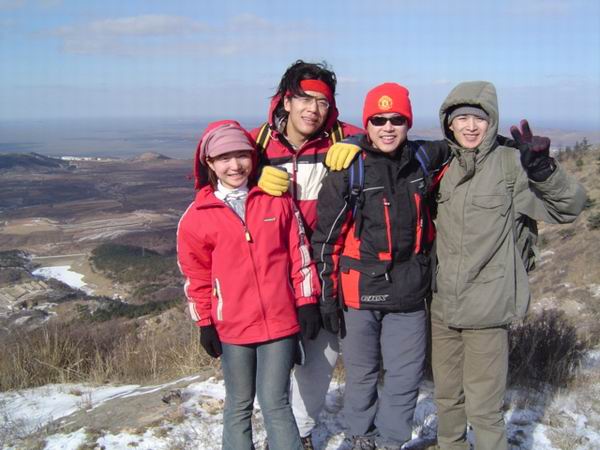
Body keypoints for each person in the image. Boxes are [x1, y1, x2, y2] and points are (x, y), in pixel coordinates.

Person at [431, 81, 586, 450]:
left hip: (488, 308)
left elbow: (569, 207)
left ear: (492, 121)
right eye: (462, 118)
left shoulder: (509, 164)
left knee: (484, 411)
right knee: (447, 400)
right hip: (442, 308)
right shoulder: (442, 165)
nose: (471, 126)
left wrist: (544, 171)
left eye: (479, 119)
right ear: (449, 123)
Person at [312, 83, 450, 449]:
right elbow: (326, 239)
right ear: (367, 124)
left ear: (408, 123)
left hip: (409, 291)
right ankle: (361, 436)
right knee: (362, 374)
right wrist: (327, 297)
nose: (388, 127)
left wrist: (509, 145)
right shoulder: (349, 170)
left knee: (405, 376)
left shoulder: (423, 158)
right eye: (378, 120)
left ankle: (391, 441)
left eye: (397, 119)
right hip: (359, 293)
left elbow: (465, 143)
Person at [177, 120, 321, 450]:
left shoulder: (276, 201)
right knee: (239, 404)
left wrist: (306, 301)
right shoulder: (197, 216)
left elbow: (299, 254)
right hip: (233, 327)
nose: (234, 165)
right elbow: (196, 277)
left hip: (280, 323)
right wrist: (205, 323)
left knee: (275, 402)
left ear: (253, 158)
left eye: (241, 155)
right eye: (224, 158)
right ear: (209, 163)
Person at [253, 60, 363, 448]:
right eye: (304, 98)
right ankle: (277, 428)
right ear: (286, 101)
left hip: (325, 269)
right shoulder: (257, 145)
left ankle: (298, 433)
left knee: (321, 357)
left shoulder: (341, 139)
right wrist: (253, 179)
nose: (313, 109)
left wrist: (358, 145)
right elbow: (212, 171)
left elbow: (389, 141)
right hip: (273, 271)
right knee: (275, 361)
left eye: (322, 101)